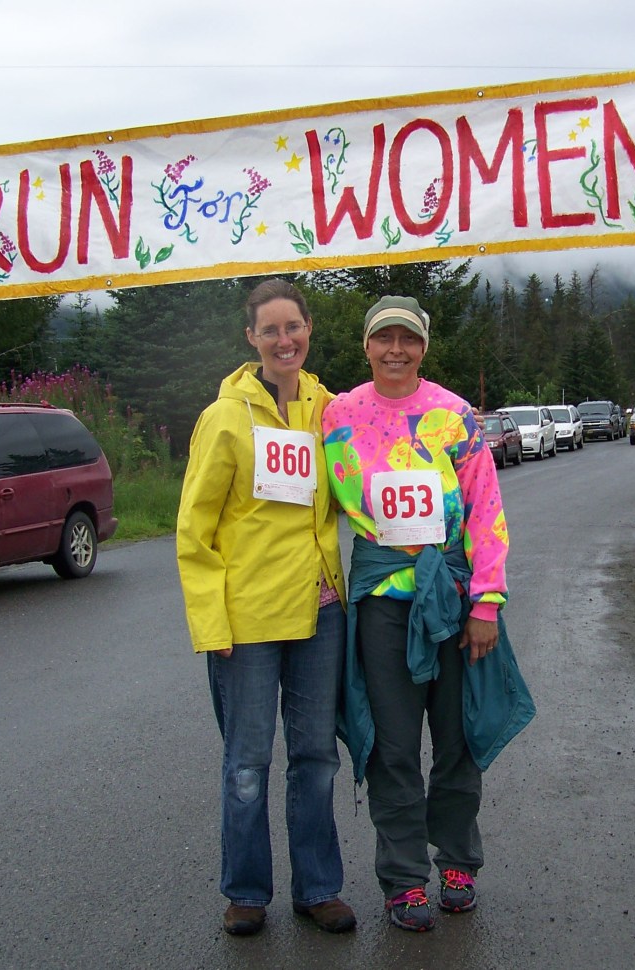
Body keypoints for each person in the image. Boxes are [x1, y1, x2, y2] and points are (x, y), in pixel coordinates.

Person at [322, 295, 535, 932]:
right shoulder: (340, 414)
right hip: (384, 602)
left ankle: (459, 861)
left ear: (422, 347)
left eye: (407, 340)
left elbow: (484, 509)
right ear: (366, 345)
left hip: (452, 599)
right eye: (384, 338)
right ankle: (404, 878)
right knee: (391, 746)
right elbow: (316, 506)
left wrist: (487, 601)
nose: (396, 350)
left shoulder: (453, 415)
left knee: (457, 737)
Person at [176, 279, 355, 937]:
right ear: (251, 338)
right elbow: (194, 532)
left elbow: (369, 477)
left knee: (316, 757)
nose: (285, 340)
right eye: (271, 329)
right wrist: (210, 622)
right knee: (247, 762)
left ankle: (319, 888)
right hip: (247, 623)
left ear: (309, 331)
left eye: (294, 327)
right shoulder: (224, 418)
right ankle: (246, 891)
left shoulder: (331, 410)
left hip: (320, 614)